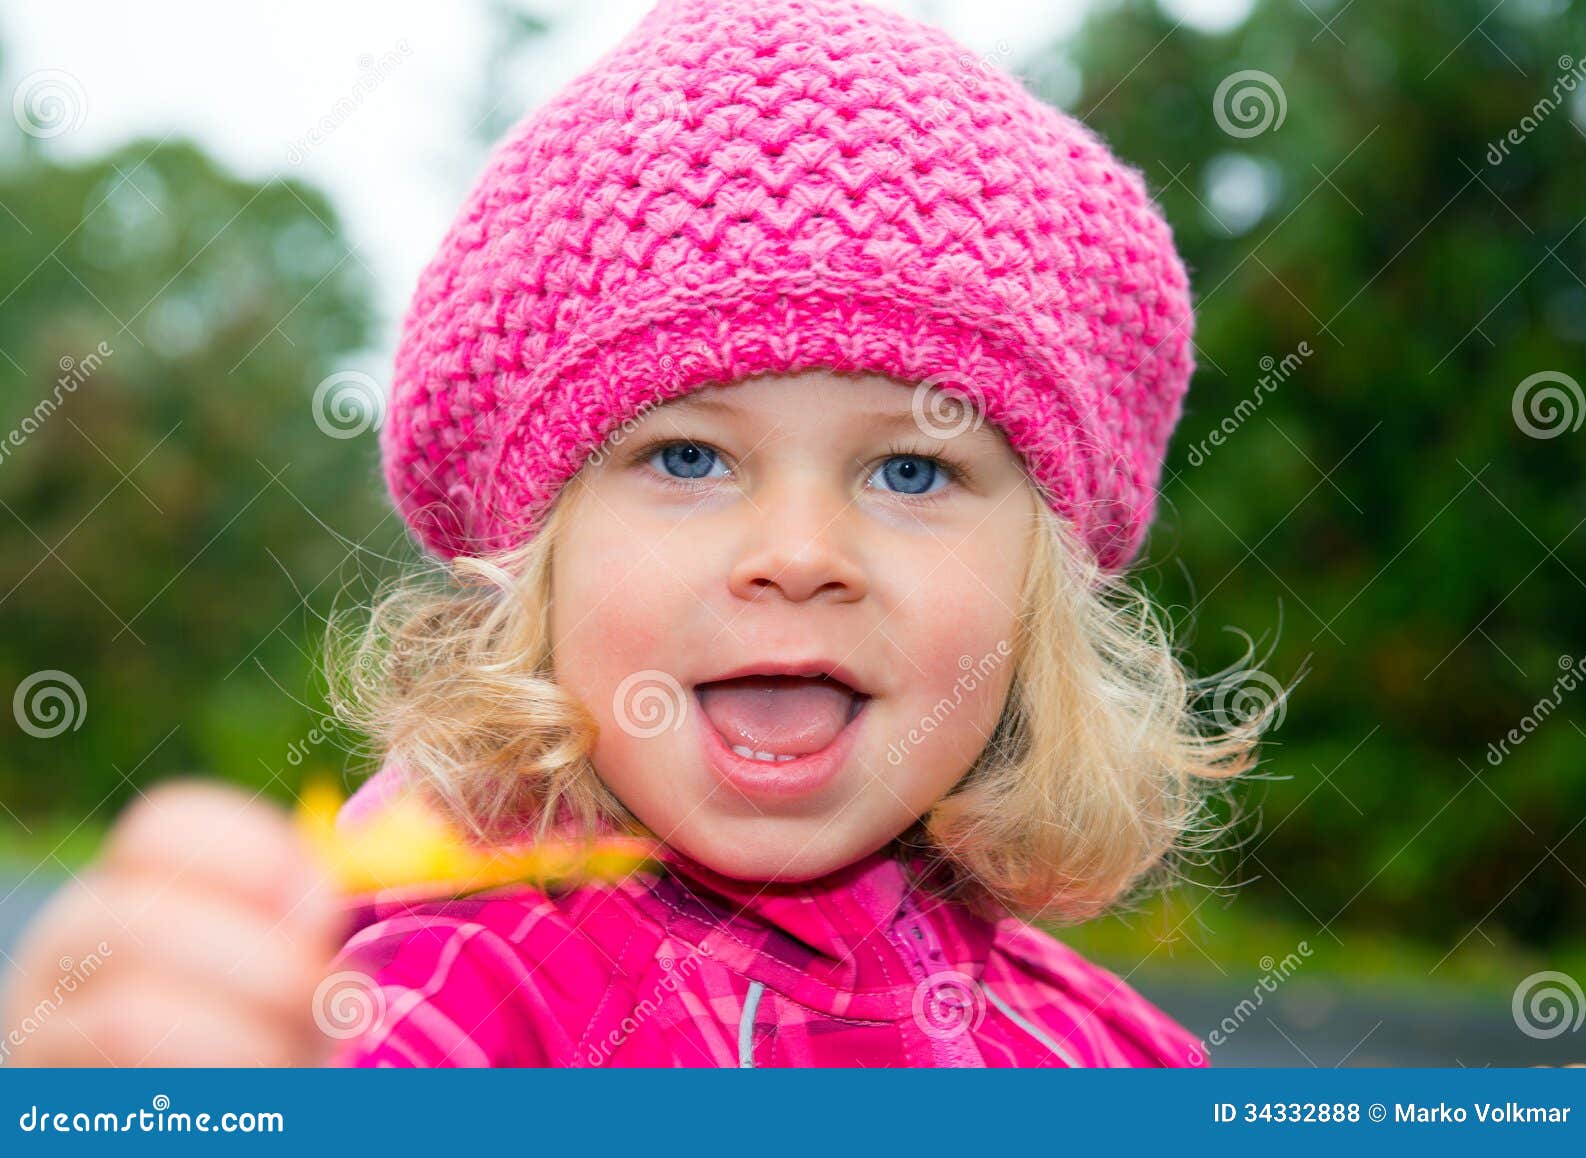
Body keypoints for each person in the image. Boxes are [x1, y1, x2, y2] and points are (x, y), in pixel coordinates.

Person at [2, 0, 1272, 1067]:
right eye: (687, 457)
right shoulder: (419, 1020)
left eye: (909, 469)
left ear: (1041, 585)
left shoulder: (1108, 1055)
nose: (799, 553)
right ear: (534, 570)